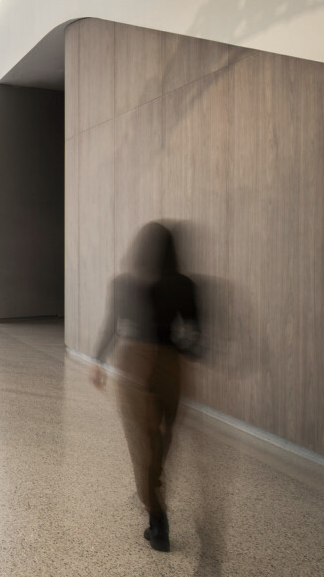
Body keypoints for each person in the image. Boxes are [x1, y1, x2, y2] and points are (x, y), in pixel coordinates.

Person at [91, 221, 201, 554]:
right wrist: (174, 353)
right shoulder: (185, 285)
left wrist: (98, 361)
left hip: (134, 364)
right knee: (163, 437)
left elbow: (112, 324)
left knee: (143, 442)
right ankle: (155, 492)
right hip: (172, 367)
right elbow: (195, 337)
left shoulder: (124, 283)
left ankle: (158, 518)